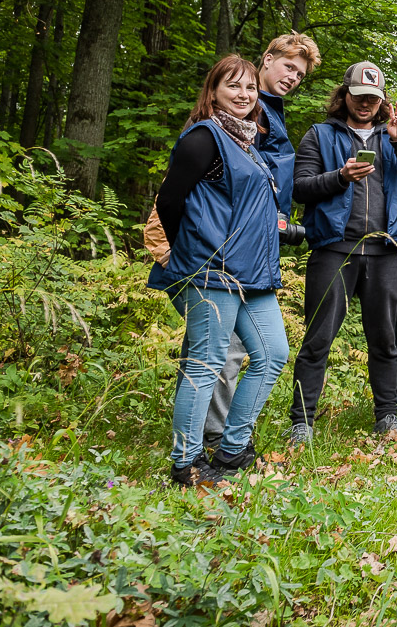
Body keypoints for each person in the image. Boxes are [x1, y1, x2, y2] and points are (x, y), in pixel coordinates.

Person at [149, 55, 288, 487]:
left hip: (252, 274)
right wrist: (185, 255)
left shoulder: (245, 143)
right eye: (233, 87)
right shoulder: (204, 138)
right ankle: (186, 462)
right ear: (213, 92)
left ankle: (232, 449)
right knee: (206, 362)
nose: (244, 95)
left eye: (249, 88)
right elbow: (169, 200)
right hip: (212, 271)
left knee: (272, 354)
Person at [288, 62, 397, 443]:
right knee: (317, 338)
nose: (365, 103)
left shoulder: (391, 139)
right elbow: (299, 188)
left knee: (385, 339)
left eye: (372, 98)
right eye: (359, 96)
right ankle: (302, 421)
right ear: (344, 95)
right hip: (334, 248)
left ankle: (387, 416)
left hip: (385, 251)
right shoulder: (319, 135)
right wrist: (340, 177)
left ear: (381, 101)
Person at [202, 33, 320, 456]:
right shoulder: (248, 112)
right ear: (266, 60)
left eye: (300, 74)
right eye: (288, 66)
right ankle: (214, 436)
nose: (293, 77)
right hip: (234, 242)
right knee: (228, 348)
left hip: (260, 241)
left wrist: (281, 220)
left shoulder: (272, 113)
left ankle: (227, 434)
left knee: (252, 348)